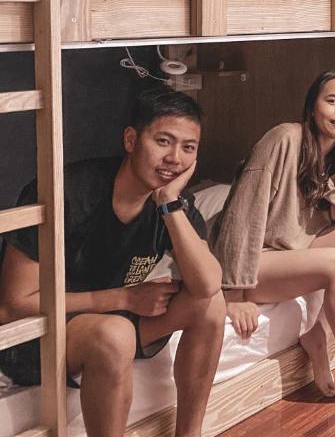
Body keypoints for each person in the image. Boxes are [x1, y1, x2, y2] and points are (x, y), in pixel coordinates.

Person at [0, 88, 225, 437]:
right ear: (131, 139)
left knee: (211, 305)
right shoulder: (67, 193)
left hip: (102, 319)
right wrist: (124, 298)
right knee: (116, 334)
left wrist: (168, 202)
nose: (174, 158)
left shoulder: (170, 202)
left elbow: (208, 285)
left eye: (188, 148)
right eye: (163, 141)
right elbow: (16, 303)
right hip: (35, 334)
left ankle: (189, 433)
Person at [212, 70, 335, 419]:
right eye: (332, 101)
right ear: (312, 107)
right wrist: (233, 294)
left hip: (292, 252)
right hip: (258, 259)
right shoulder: (285, 138)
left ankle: (317, 328)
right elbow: (243, 212)